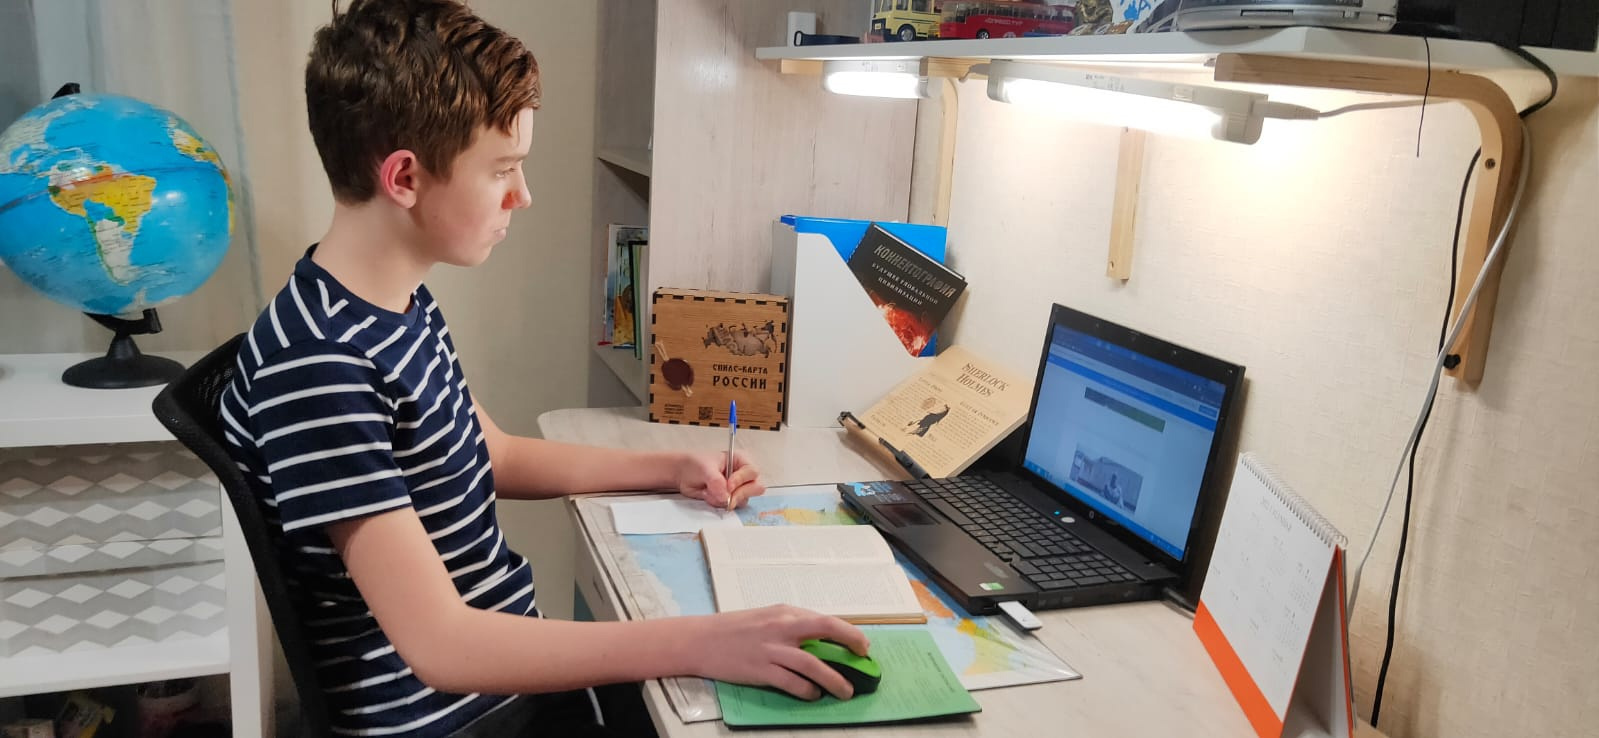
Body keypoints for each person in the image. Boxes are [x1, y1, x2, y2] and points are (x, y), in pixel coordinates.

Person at [216, 2, 869, 736]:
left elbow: (490, 453)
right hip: (457, 718)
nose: (521, 196)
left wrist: (670, 469)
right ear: (404, 176)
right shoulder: (320, 365)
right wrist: (704, 644)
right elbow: (442, 646)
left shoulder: (392, 304)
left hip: (500, 687)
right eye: (502, 169)